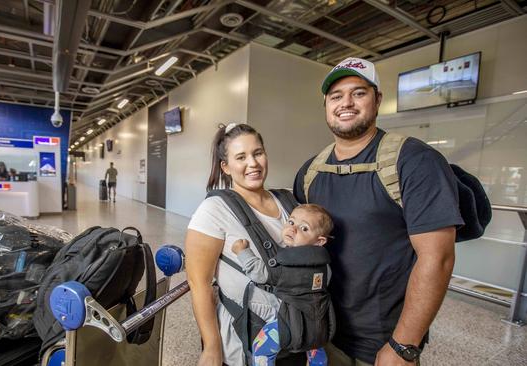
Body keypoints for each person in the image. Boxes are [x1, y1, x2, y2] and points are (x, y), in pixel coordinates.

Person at [293, 57, 463, 365]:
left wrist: (403, 346)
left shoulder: (414, 161)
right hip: (320, 331)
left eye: (358, 93)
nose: (346, 102)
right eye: (336, 96)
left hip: (381, 344)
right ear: (326, 106)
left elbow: (437, 258)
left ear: (377, 100)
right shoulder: (310, 172)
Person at [186, 123, 306, 366]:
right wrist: (211, 347)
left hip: (298, 331)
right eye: (241, 157)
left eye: (258, 153)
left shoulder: (287, 199)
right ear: (226, 167)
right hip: (248, 342)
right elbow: (199, 283)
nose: (253, 163)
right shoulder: (214, 210)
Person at [231, 203, 333, 366]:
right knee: (315, 347)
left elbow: (260, 274)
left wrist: (242, 252)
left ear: (319, 241)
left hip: (288, 322)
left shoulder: (289, 263)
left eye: (304, 228)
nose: (293, 229)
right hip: (318, 323)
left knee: (261, 349)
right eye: (291, 222)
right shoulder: (325, 266)